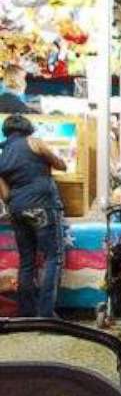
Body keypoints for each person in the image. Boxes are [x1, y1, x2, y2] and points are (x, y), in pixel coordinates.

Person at [0, 114, 67, 317]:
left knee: (27, 260)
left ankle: (26, 312)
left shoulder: (2, 155)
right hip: (42, 206)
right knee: (53, 256)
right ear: (27, 128)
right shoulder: (33, 142)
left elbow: (5, 194)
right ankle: (46, 314)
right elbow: (61, 165)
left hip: (17, 210)